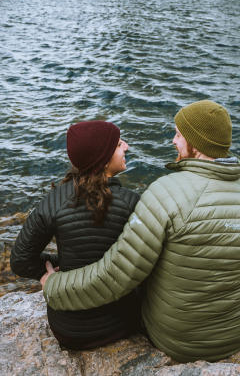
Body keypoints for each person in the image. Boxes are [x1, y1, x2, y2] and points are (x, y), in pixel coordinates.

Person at [41, 100, 240, 363]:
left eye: (178, 135)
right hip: (238, 334)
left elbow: (116, 274)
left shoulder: (166, 192)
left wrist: (55, 286)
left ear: (195, 144)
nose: (173, 141)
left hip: (177, 340)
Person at [10, 119, 142, 350]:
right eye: (120, 144)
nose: (127, 147)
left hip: (68, 329)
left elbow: (20, 260)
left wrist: (51, 271)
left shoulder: (55, 200)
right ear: (103, 158)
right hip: (120, 323)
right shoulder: (132, 202)